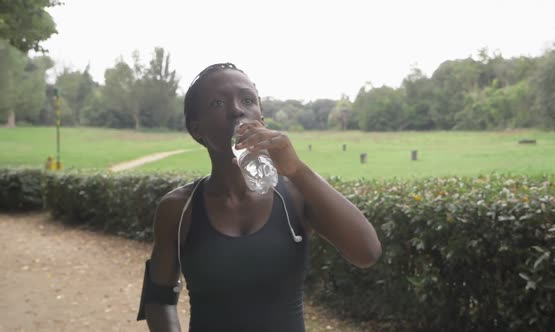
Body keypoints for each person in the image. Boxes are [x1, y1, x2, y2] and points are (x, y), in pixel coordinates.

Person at [137, 63, 382, 332]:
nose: (236, 109)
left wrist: (297, 170)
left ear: (261, 117)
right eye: (217, 103)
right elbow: (158, 299)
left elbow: (367, 253)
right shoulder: (179, 208)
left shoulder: (296, 194)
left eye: (247, 100)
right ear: (197, 129)